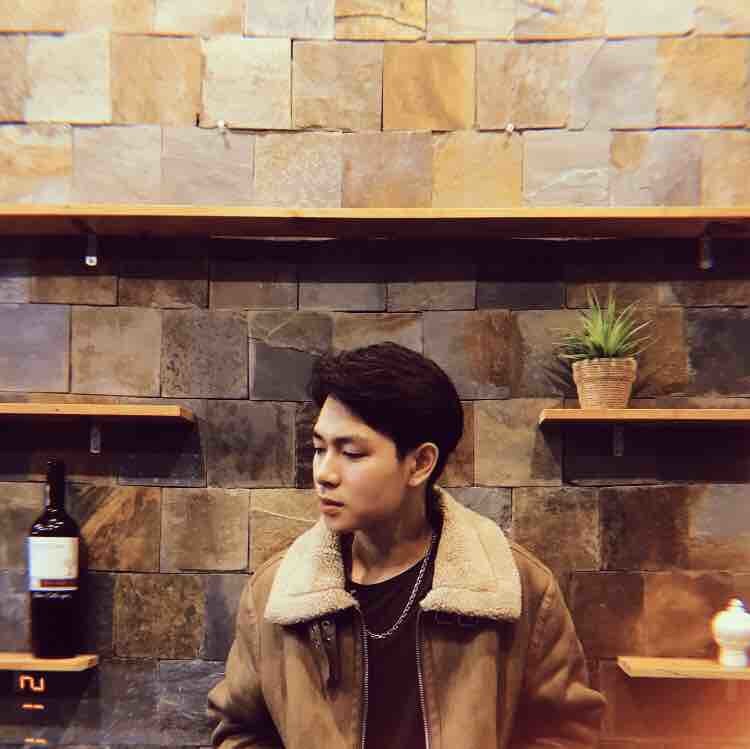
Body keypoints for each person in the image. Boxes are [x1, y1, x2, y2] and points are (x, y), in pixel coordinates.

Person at [207, 342, 605, 748]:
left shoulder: (517, 588)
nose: (324, 473)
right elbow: (239, 731)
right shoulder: (276, 593)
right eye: (319, 449)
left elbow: (566, 732)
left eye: (351, 453)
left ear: (420, 463)